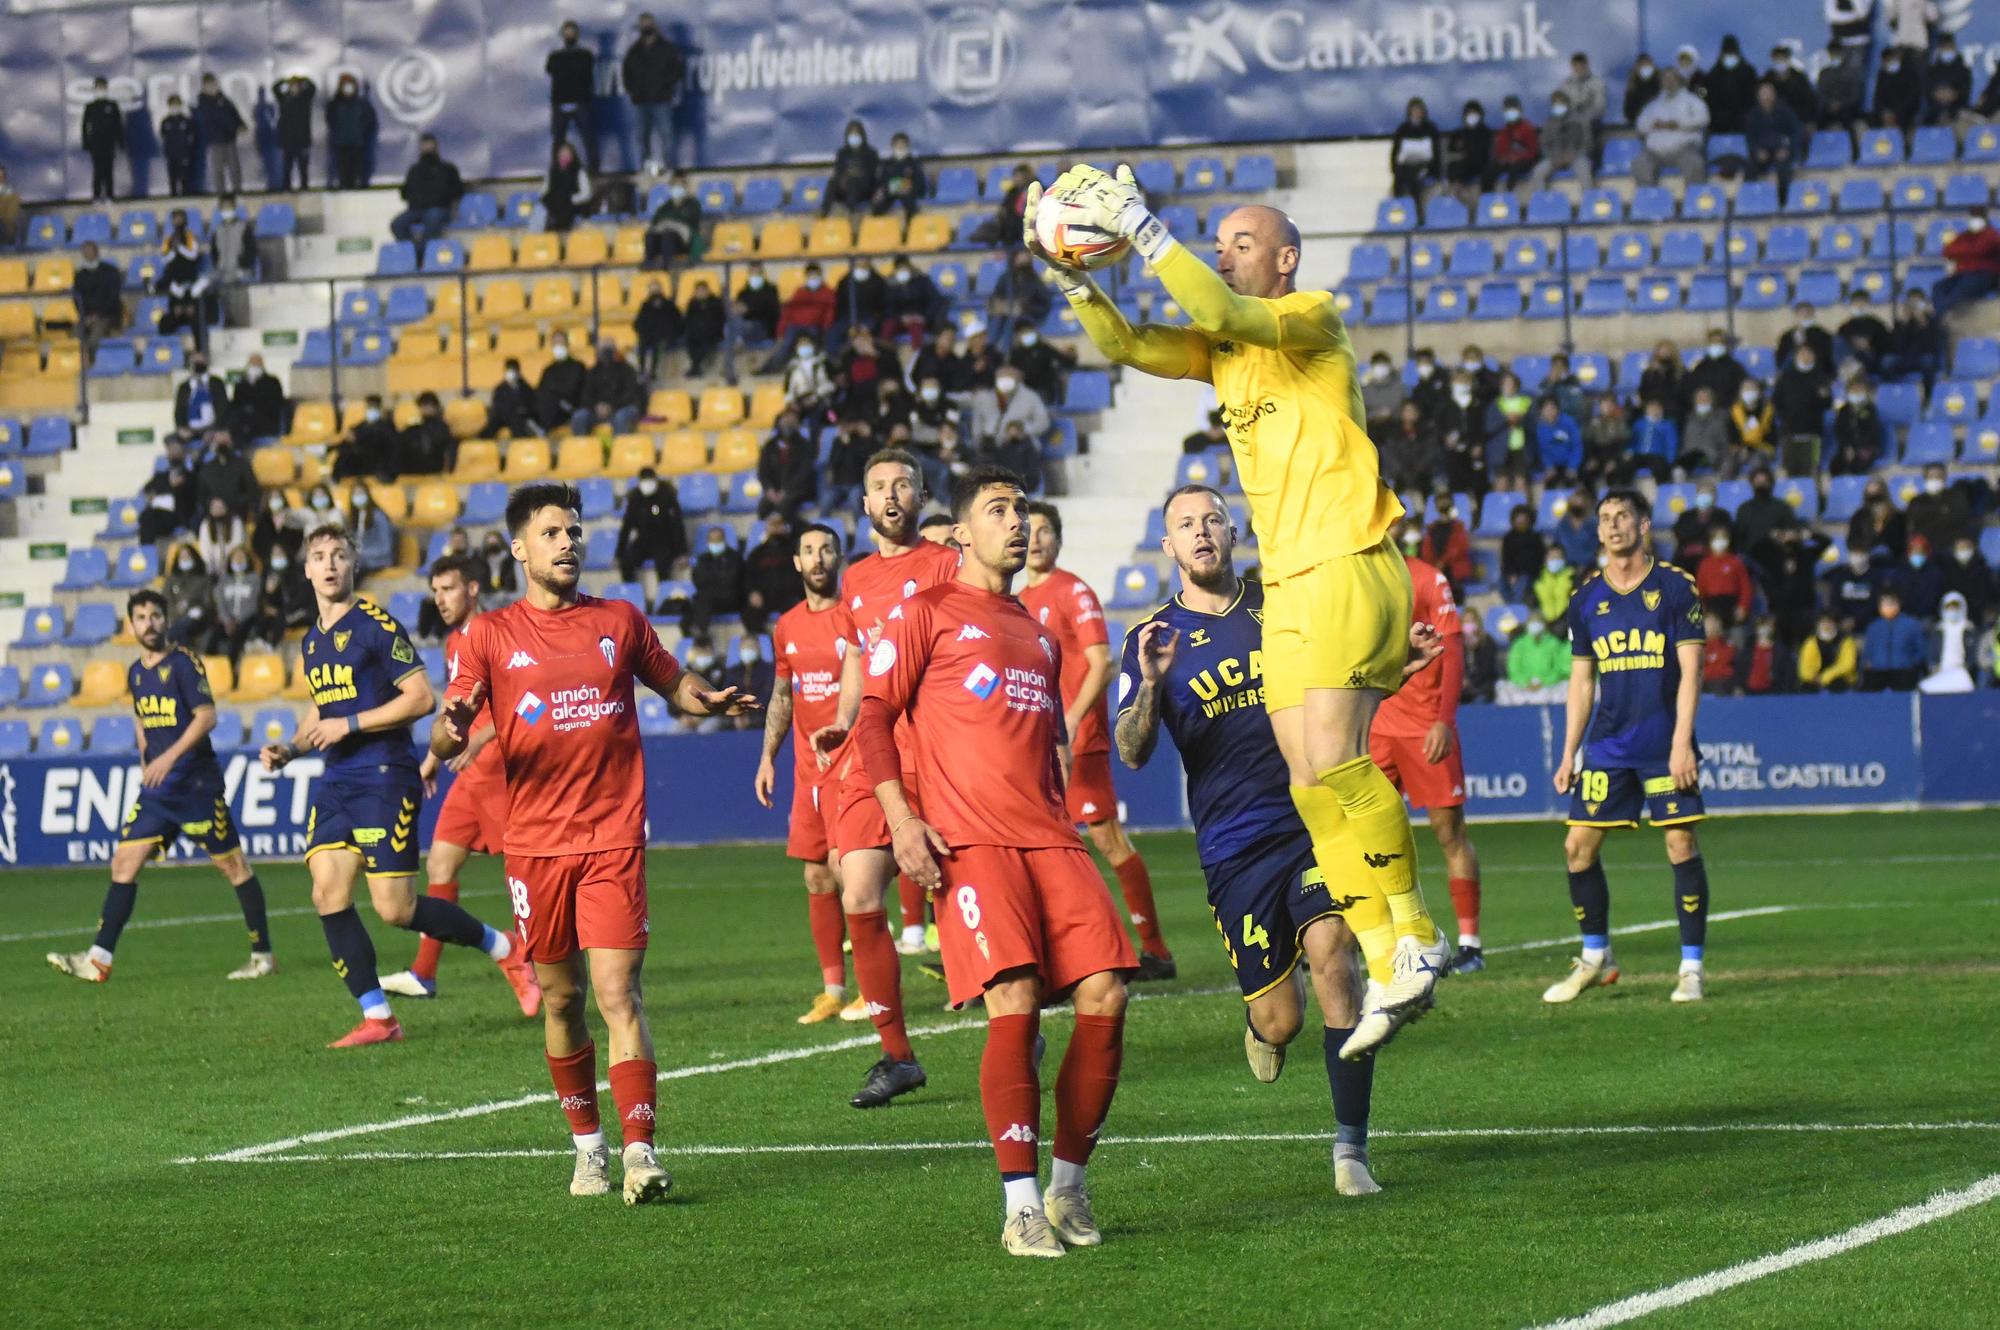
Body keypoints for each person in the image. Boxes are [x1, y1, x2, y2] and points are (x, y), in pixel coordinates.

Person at [1032, 169, 1452, 1058]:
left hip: (1347, 557)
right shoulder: (1225, 349)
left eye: (1241, 242)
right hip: (1292, 578)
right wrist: (1074, 278)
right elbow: (1134, 346)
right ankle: (1387, 960)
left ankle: (1415, 932)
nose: (1224, 252)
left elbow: (1223, 312)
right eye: (1217, 242)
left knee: (1334, 760)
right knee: (1306, 778)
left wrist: (1143, 229)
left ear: (1286, 258)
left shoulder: (1310, 318)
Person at [434, 481, 753, 1201]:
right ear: (520, 549)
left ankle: (639, 1152)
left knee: (619, 992)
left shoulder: (620, 620)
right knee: (560, 1000)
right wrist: (449, 728)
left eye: (574, 531)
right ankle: (589, 1149)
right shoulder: (489, 636)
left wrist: (707, 698)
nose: (568, 543)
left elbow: (673, 682)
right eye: (552, 533)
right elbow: (448, 718)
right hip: (535, 848)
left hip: (612, 837)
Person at [855, 466, 1133, 1257]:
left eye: (1021, 509)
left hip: (1050, 836)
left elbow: (1041, 752)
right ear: (964, 533)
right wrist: (902, 818)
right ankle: (1019, 1208)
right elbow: (875, 715)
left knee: (1108, 994)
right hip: (970, 842)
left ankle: (1069, 1189)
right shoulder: (927, 613)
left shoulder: (1040, 637)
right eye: (998, 510)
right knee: (1013, 996)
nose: (1017, 522)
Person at [1117, 484, 1404, 1196]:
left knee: (1334, 953)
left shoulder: (1280, 610)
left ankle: (1350, 1151)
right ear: (1169, 547)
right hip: (1233, 848)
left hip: (1310, 822)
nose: (1202, 532)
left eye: (1212, 519)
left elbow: (1340, 688)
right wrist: (1151, 686)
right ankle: (1264, 1028)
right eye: (1185, 524)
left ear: (1233, 532)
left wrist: (1400, 673)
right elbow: (1130, 749)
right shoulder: (1151, 639)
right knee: (1281, 1020)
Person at [259, 525, 537, 1048]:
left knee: (395, 909)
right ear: (306, 570)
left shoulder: (374, 625)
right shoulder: (312, 641)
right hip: (338, 778)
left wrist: (352, 725)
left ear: (353, 566)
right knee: (327, 892)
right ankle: (378, 1018)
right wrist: (291, 749)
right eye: (319, 557)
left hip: (384, 775)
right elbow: (322, 708)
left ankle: (505, 949)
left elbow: (420, 699)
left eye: (339, 555)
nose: (329, 564)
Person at [807, 451, 963, 1105]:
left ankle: (1015, 1002)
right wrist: (843, 720)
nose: (891, 493)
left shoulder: (949, 563)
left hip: (942, 748)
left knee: (959, 887)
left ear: (922, 494)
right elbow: (857, 660)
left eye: (902, 483)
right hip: (875, 752)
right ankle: (896, 1054)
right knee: (859, 891)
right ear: (865, 505)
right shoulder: (858, 580)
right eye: (878, 486)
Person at [46, 590, 276, 985]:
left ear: (165, 620)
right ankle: (99, 959)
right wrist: (145, 759)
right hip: (158, 795)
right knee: (123, 863)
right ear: (131, 625)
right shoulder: (136, 671)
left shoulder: (184, 664)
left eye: (156, 615)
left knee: (233, 867)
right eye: (141, 617)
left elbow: (206, 718)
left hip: (196, 787)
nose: (149, 623)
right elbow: (141, 718)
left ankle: (262, 956)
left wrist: (167, 759)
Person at [1548, 489, 1712, 1006]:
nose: (1613, 525)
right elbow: (1581, 684)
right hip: (1608, 746)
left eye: (1623, 516)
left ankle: (1691, 969)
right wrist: (1569, 750)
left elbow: (1692, 671)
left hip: (1664, 743)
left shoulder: (1675, 588)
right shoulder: (1585, 599)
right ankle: (1596, 957)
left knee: (1680, 843)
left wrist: (1683, 742)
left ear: (1644, 526)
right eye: (1605, 519)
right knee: (1577, 847)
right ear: (1597, 532)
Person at [377, 556, 540, 1014]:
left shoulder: (497, 632)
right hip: (469, 778)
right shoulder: (454, 643)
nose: (440, 599)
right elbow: (452, 709)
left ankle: (536, 958)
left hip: (504, 772)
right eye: (435, 591)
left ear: (472, 588)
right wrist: (431, 758)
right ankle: (424, 973)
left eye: (447, 589)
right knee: (441, 866)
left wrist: (483, 737)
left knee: (526, 876)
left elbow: (526, 700)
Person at [1020, 503, 1175, 979]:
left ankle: (1154, 951)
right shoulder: (1018, 598)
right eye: (1032, 530)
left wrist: (1068, 720)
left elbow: (1102, 662)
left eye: (1047, 531)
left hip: (1077, 741)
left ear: (1060, 540)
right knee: (1040, 847)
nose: (1038, 538)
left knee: (1106, 839)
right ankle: (1050, 953)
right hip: (1035, 745)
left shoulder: (1072, 590)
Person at [753, 523, 862, 1023]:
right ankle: (833, 990)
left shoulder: (855, 618)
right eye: (809, 551)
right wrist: (766, 757)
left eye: (826, 550)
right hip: (805, 771)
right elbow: (781, 696)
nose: (817, 559)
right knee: (817, 877)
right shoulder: (787, 626)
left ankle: (874, 986)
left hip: (852, 765)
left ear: (838, 558)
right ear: (796, 563)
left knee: (848, 872)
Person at [1369, 547, 1484, 973]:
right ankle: (1375, 940)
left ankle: (1470, 944)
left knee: (1449, 832)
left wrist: (1444, 721)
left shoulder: (1426, 577)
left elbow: (1452, 652)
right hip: (1379, 724)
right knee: (1364, 836)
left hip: (1424, 726)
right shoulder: (1359, 576)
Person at [623, 12, 685, 174]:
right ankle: (646, 168)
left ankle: (669, 168)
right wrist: (632, 90)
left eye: (649, 23)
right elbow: (626, 73)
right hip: (641, 101)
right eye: (643, 24)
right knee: (642, 138)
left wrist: (665, 85)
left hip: (661, 99)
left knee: (666, 136)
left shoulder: (666, 48)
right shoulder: (634, 51)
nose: (646, 27)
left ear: (655, 26)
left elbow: (677, 70)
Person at [1633, 68, 1710, 186]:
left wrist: (1678, 124)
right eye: (1665, 79)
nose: (1669, 82)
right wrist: (1654, 125)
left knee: (1695, 164)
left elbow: (1703, 119)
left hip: (1684, 149)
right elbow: (1640, 125)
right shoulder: (1654, 104)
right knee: (1640, 164)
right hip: (1654, 152)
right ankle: (1651, 200)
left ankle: (1693, 201)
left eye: (1672, 79)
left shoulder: (1692, 101)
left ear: (1679, 80)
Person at [389, 134, 463, 250]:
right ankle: (412, 250)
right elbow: (406, 192)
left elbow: (457, 190)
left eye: (430, 145)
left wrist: (448, 203)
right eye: (425, 145)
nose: (428, 148)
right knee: (397, 224)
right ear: (420, 148)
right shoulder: (414, 170)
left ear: (436, 147)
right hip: (416, 209)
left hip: (439, 208)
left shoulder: (448, 169)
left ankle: (423, 252)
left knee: (432, 218)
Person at [546, 20, 599, 170]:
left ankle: (594, 170)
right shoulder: (555, 56)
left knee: (588, 138)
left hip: (581, 102)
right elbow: (551, 69)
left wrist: (566, 70)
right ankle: (557, 171)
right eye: (566, 32)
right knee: (558, 140)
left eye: (572, 32)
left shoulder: (585, 55)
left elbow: (583, 72)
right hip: (560, 103)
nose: (569, 35)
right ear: (562, 35)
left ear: (577, 34)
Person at [739, 515, 803, 636]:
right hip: (764, 596)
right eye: (773, 526)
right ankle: (766, 642)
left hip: (789, 595)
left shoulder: (794, 550)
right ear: (767, 529)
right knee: (750, 614)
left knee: (796, 611)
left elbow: (801, 575)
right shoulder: (757, 553)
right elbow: (748, 576)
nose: (776, 529)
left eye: (779, 525)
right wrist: (753, 592)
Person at [1933, 207, 2000, 317]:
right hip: (1962, 274)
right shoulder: (1965, 236)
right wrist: (1969, 251)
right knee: (1939, 287)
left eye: (1977, 218)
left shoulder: (1992, 235)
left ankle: (1947, 317)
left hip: (1984, 275)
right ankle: (1941, 317)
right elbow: (1947, 251)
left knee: (1959, 292)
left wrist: (1963, 252)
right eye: (1973, 217)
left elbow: (1982, 249)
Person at [1743, 81, 1803, 202]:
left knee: (1784, 169)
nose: (1767, 95)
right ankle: (1749, 200)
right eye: (1763, 92)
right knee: (1749, 167)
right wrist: (1757, 151)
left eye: (1769, 92)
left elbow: (1796, 133)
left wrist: (1787, 149)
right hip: (1762, 151)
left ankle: (1783, 201)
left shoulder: (1785, 111)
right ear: (1758, 95)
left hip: (1781, 149)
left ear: (1774, 94)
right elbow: (1750, 138)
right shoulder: (1752, 115)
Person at [1523, 91, 1593, 193]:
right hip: (1554, 159)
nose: (1558, 106)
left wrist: (1572, 156)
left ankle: (1588, 201)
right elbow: (1544, 144)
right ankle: (1542, 203)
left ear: (1567, 103)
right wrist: (1554, 158)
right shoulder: (1549, 122)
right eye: (1555, 104)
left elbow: (1588, 142)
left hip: (1576, 157)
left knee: (1584, 169)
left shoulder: (1580, 120)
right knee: (1538, 171)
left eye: (1561, 103)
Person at [757, 411, 818, 521]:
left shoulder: (804, 446)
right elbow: (763, 471)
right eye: (785, 419)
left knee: (785, 505)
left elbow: (804, 473)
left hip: (798, 490)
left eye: (791, 420)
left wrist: (786, 491)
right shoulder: (770, 445)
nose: (787, 423)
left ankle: (786, 533)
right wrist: (769, 489)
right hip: (775, 490)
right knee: (763, 507)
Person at [1861, 590, 1926, 689]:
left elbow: (1920, 649)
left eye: (1891, 604)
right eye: (1884, 604)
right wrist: (1868, 663)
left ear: (1898, 604)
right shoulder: (1873, 626)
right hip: (1877, 671)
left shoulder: (1912, 625)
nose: (1888, 607)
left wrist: (1911, 663)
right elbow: (1867, 650)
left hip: (1903, 671)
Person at [575, 343, 641, 436]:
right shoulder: (592, 372)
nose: (606, 353)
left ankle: (619, 448)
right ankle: (583, 448)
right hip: (597, 410)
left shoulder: (627, 370)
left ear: (615, 351)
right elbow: (586, 395)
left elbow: (630, 394)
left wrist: (611, 406)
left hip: (622, 407)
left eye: (609, 349)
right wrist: (596, 406)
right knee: (579, 416)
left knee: (620, 417)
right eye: (603, 350)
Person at [195, 73, 245, 196]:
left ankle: (237, 189)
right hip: (215, 140)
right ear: (204, 87)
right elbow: (218, 116)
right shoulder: (203, 102)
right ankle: (220, 192)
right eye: (209, 85)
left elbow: (233, 112)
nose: (212, 87)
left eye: (213, 84)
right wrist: (232, 126)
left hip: (229, 138)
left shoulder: (223, 99)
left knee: (234, 166)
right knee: (218, 169)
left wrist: (241, 124)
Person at [1388, 98, 1440, 214]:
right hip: (1405, 168)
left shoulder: (1431, 130)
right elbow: (1395, 155)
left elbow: (1436, 156)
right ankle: (1400, 215)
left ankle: (1419, 216)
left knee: (1418, 180)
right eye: (1414, 110)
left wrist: (1433, 171)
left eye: (1419, 110)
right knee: (1400, 182)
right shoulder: (1402, 130)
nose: (1416, 113)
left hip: (1425, 168)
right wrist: (1396, 170)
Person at [325, 75, 377, 190]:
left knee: (356, 167)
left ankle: (356, 185)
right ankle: (343, 185)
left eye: (350, 85)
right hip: (340, 142)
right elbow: (330, 120)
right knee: (342, 167)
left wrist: (361, 130)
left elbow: (369, 120)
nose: (348, 89)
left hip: (357, 141)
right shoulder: (334, 104)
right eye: (345, 86)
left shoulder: (361, 104)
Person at [1906, 463, 1970, 553]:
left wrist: (1928, 514)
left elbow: (1958, 519)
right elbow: (1913, 523)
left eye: (1938, 476)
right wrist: (1940, 511)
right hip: (1924, 550)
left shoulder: (1956, 497)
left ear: (1945, 478)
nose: (1934, 479)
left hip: (1950, 549)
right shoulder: (1916, 501)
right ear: (1925, 478)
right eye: (1931, 476)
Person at [1828, 377, 1887, 475]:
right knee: (1835, 465)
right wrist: (1847, 447)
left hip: (1867, 447)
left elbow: (1871, 431)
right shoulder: (1844, 410)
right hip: (1847, 447)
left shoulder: (1870, 410)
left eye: (1859, 390)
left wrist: (1856, 448)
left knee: (1858, 463)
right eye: (1854, 390)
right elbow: (1840, 431)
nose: (1857, 393)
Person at [823, 120, 879, 219]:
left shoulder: (871, 153)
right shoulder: (842, 153)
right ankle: (823, 211)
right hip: (845, 186)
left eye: (856, 134)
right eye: (851, 134)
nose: (854, 136)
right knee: (832, 183)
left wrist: (857, 174)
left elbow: (872, 174)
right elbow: (838, 171)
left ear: (862, 135)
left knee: (853, 181)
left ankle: (852, 212)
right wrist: (845, 177)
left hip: (865, 188)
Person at [643, 171, 701, 266]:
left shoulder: (693, 204)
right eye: (675, 185)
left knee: (668, 236)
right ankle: (649, 264)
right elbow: (655, 223)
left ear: (686, 187)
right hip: (662, 239)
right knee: (650, 236)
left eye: (680, 184)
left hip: (683, 241)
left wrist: (673, 223)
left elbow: (693, 223)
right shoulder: (665, 207)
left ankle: (666, 266)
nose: (677, 188)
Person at [1441, 100, 1493, 206]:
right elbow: (1452, 154)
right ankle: (1454, 192)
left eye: (1475, 114)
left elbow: (1485, 155)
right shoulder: (1458, 134)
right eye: (1469, 113)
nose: (1472, 116)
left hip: (1480, 168)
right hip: (1461, 170)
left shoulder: (1485, 133)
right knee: (1453, 166)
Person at [72, 241, 123, 344]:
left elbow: (113, 298)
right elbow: (77, 299)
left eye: (90, 251)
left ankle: (93, 358)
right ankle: (81, 358)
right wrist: (86, 316)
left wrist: (98, 315)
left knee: (95, 338)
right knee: (76, 335)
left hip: (107, 315)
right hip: (86, 316)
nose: (88, 254)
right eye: (85, 252)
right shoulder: (80, 275)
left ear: (96, 252)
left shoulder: (110, 272)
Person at [1420, 495, 1472, 597]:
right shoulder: (1432, 528)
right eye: (1440, 502)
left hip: (1454, 573)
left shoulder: (1458, 527)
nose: (1443, 505)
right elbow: (1427, 551)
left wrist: (1443, 561)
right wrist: (1434, 566)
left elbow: (1459, 548)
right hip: (1435, 571)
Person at [82, 77, 124, 202]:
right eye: (98, 88)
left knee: (108, 169)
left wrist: (120, 141)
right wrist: (86, 141)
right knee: (97, 169)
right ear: (95, 89)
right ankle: (96, 195)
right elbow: (84, 125)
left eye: (103, 88)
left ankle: (110, 195)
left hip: (109, 142)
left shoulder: (112, 105)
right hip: (96, 142)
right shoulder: (90, 106)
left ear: (107, 89)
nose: (101, 90)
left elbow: (118, 124)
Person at [1797, 612, 1859, 692]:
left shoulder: (1846, 641)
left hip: (1839, 679)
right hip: (1815, 680)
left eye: (1829, 622)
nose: (1826, 625)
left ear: (1835, 624)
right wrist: (1812, 678)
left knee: (1837, 684)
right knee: (1806, 687)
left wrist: (1825, 677)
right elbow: (1804, 667)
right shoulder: (1811, 642)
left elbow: (1847, 665)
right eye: (1823, 622)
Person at [274, 72, 315, 190]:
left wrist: (303, 79)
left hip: (302, 140)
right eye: (292, 86)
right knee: (287, 167)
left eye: (297, 86)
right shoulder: (284, 99)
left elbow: (313, 87)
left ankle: (304, 187)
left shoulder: (305, 99)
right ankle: (287, 187)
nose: (294, 88)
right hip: (288, 140)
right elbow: (275, 88)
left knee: (303, 167)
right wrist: (284, 80)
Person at [230, 353, 285, 442]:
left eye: (257, 363)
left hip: (266, 419)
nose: (254, 366)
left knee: (248, 424)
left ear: (262, 365)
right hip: (244, 419)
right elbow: (236, 404)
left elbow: (276, 404)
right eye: (252, 363)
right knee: (239, 424)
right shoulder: (241, 383)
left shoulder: (272, 382)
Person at [1561, 50, 1608, 148]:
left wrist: (1584, 115)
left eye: (1581, 66)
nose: (1579, 69)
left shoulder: (1597, 83)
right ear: (1572, 67)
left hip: (1590, 119)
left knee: (1587, 125)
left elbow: (1599, 106)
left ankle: (1587, 156)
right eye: (1576, 66)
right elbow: (1562, 104)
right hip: (1571, 118)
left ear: (1586, 66)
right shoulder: (1566, 83)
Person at [1499, 504, 1546, 603]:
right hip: (1511, 574)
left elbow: (1537, 561)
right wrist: (1510, 574)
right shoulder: (1508, 538)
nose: (1520, 522)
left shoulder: (1535, 538)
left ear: (1529, 520)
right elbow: (1506, 559)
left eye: (1523, 519)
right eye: (1518, 519)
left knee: (1522, 583)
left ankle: (1517, 608)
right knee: (1501, 583)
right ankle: (1511, 605)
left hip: (1529, 574)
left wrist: (1519, 574)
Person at [1491, 95, 1540, 187]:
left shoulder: (1527, 128)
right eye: (1508, 110)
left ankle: (1510, 196)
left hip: (1525, 161)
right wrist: (1504, 158)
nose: (1511, 113)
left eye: (1513, 110)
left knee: (1514, 169)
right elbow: (1500, 151)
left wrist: (1518, 157)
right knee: (1492, 168)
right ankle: (1487, 196)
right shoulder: (1504, 131)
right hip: (1509, 161)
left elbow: (1533, 151)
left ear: (1519, 110)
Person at [875, 132, 926, 219]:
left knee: (909, 200)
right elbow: (882, 183)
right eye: (898, 146)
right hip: (890, 192)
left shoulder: (914, 163)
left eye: (902, 146)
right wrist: (899, 185)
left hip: (909, 192)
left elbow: (920, 184)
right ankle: (880, 228)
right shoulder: (887, 164)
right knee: (878, 201)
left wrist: (908, 186)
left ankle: (911, 228)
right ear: (893, 147)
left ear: (907, 147)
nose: (900, 148)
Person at [541, 143, 590, 233]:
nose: (564, 157)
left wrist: (570, 199)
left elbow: (586, 194)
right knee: (540, 210)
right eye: (562, 154)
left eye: (567, 154)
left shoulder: (579, 172)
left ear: (572, 156)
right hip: (553, 204)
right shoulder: (551, 172)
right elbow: (544, 191)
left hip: (572, 205)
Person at [1925, 35, 1973, 126]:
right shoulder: (1933, 69)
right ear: (1939, 49)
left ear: (1954, 48)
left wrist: (1954, 94)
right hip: (1934, 111)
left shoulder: (1963, 69)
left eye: (1949, 48)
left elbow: (1965, 90)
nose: (1947, 51)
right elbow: (1927, 88)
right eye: (1944, 48)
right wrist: (1936, 94)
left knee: (1963, 119)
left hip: (1957, 108)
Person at [1872, 44, 1922, 130]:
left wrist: (1895, 113)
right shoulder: (1882, 74)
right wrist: (1884, 112)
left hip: (1905, 110)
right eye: (1887, 61)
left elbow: (1911, 96)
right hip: (1887, 112)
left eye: (1892, 59)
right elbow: (1878, 96)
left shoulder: (1909, 71)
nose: (1890, 63)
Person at [1766, 44, 1818, 125]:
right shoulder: (1767, 79)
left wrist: (1809, 122)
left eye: (1782, 59)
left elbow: (1809, 101)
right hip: (1773, 121)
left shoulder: (1800, 78)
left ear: (1788, 59)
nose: (1780, 62)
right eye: (1777, 59)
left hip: (1797, 120)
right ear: (1773, 60)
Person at [682, 279, 724, 375]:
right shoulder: (692, 304)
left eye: (703, 290)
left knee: (704, 338)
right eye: (698, 291)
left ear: (707, 291)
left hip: (712, 332)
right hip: (695, 333)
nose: (701, 293)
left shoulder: (715, 302)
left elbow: (719, 319)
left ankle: (698, 367)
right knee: (690, 339)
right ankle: (695, 366)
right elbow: (688, 319)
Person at [160, 95, 196, 197]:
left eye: (177, 105)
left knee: (184, 177)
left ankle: (185, 196)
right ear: (169, 106)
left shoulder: (186, 120)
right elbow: (163, 135)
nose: (175, 107)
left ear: (180, 106)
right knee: (172, 178)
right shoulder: (165, 121)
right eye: (172, 105)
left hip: (183, 154)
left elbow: (191, 137)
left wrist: (187, 152)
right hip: (171, 154)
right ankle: (173, 196)